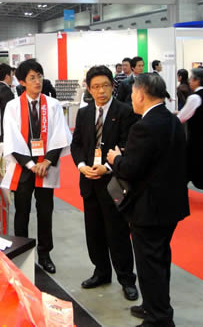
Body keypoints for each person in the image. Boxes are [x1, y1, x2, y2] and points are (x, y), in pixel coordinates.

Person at [107, 73, 189, 327]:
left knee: (149, 264)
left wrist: (116, 159)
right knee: (160, 259)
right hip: (170, 204)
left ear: (141, 94)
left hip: (149, 207)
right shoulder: (171, 119)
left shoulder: (144, 126)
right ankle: (156, 306)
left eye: (133, 94)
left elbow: (131, 169)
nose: (131, 98)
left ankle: (158, 319)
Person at [70, 66, 138, 301]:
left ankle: (127, 279)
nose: (101, 91)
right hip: (89, 180)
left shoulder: (125, 111)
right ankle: (101, 272)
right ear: (89, 89)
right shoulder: (84, 113)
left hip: (113, 181)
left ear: (112, 86)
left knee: (118, 233)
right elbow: (77, 144)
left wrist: (108, 167)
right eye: (96, 87)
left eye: (106, 86)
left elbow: (127, 145)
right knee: (94, 232)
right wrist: (82, 166)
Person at [1, 59, 72, 274]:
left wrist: (47, 161)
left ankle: (45, 254)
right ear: (22, 82)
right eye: (32, 78)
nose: (37, 81)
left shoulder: (53, 105)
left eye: (39, 76)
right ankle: (21, 253)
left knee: (45, 212)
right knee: (21, 212)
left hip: (46, 167)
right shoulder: (13, 106)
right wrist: (31, 164)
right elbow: (11, 139)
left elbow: (60, 136)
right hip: (24, 167)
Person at [177, 67, 203, 191]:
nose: (189, 81)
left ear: (197, 80)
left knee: (187, 169)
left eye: (191, 79)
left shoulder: (195, 97)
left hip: (196, 140)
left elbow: (181, 117)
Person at [0, 63, 15, 144]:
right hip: (3, 128)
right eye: (12, 75)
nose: (13, 78)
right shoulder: (6, 90)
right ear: (7, 76)